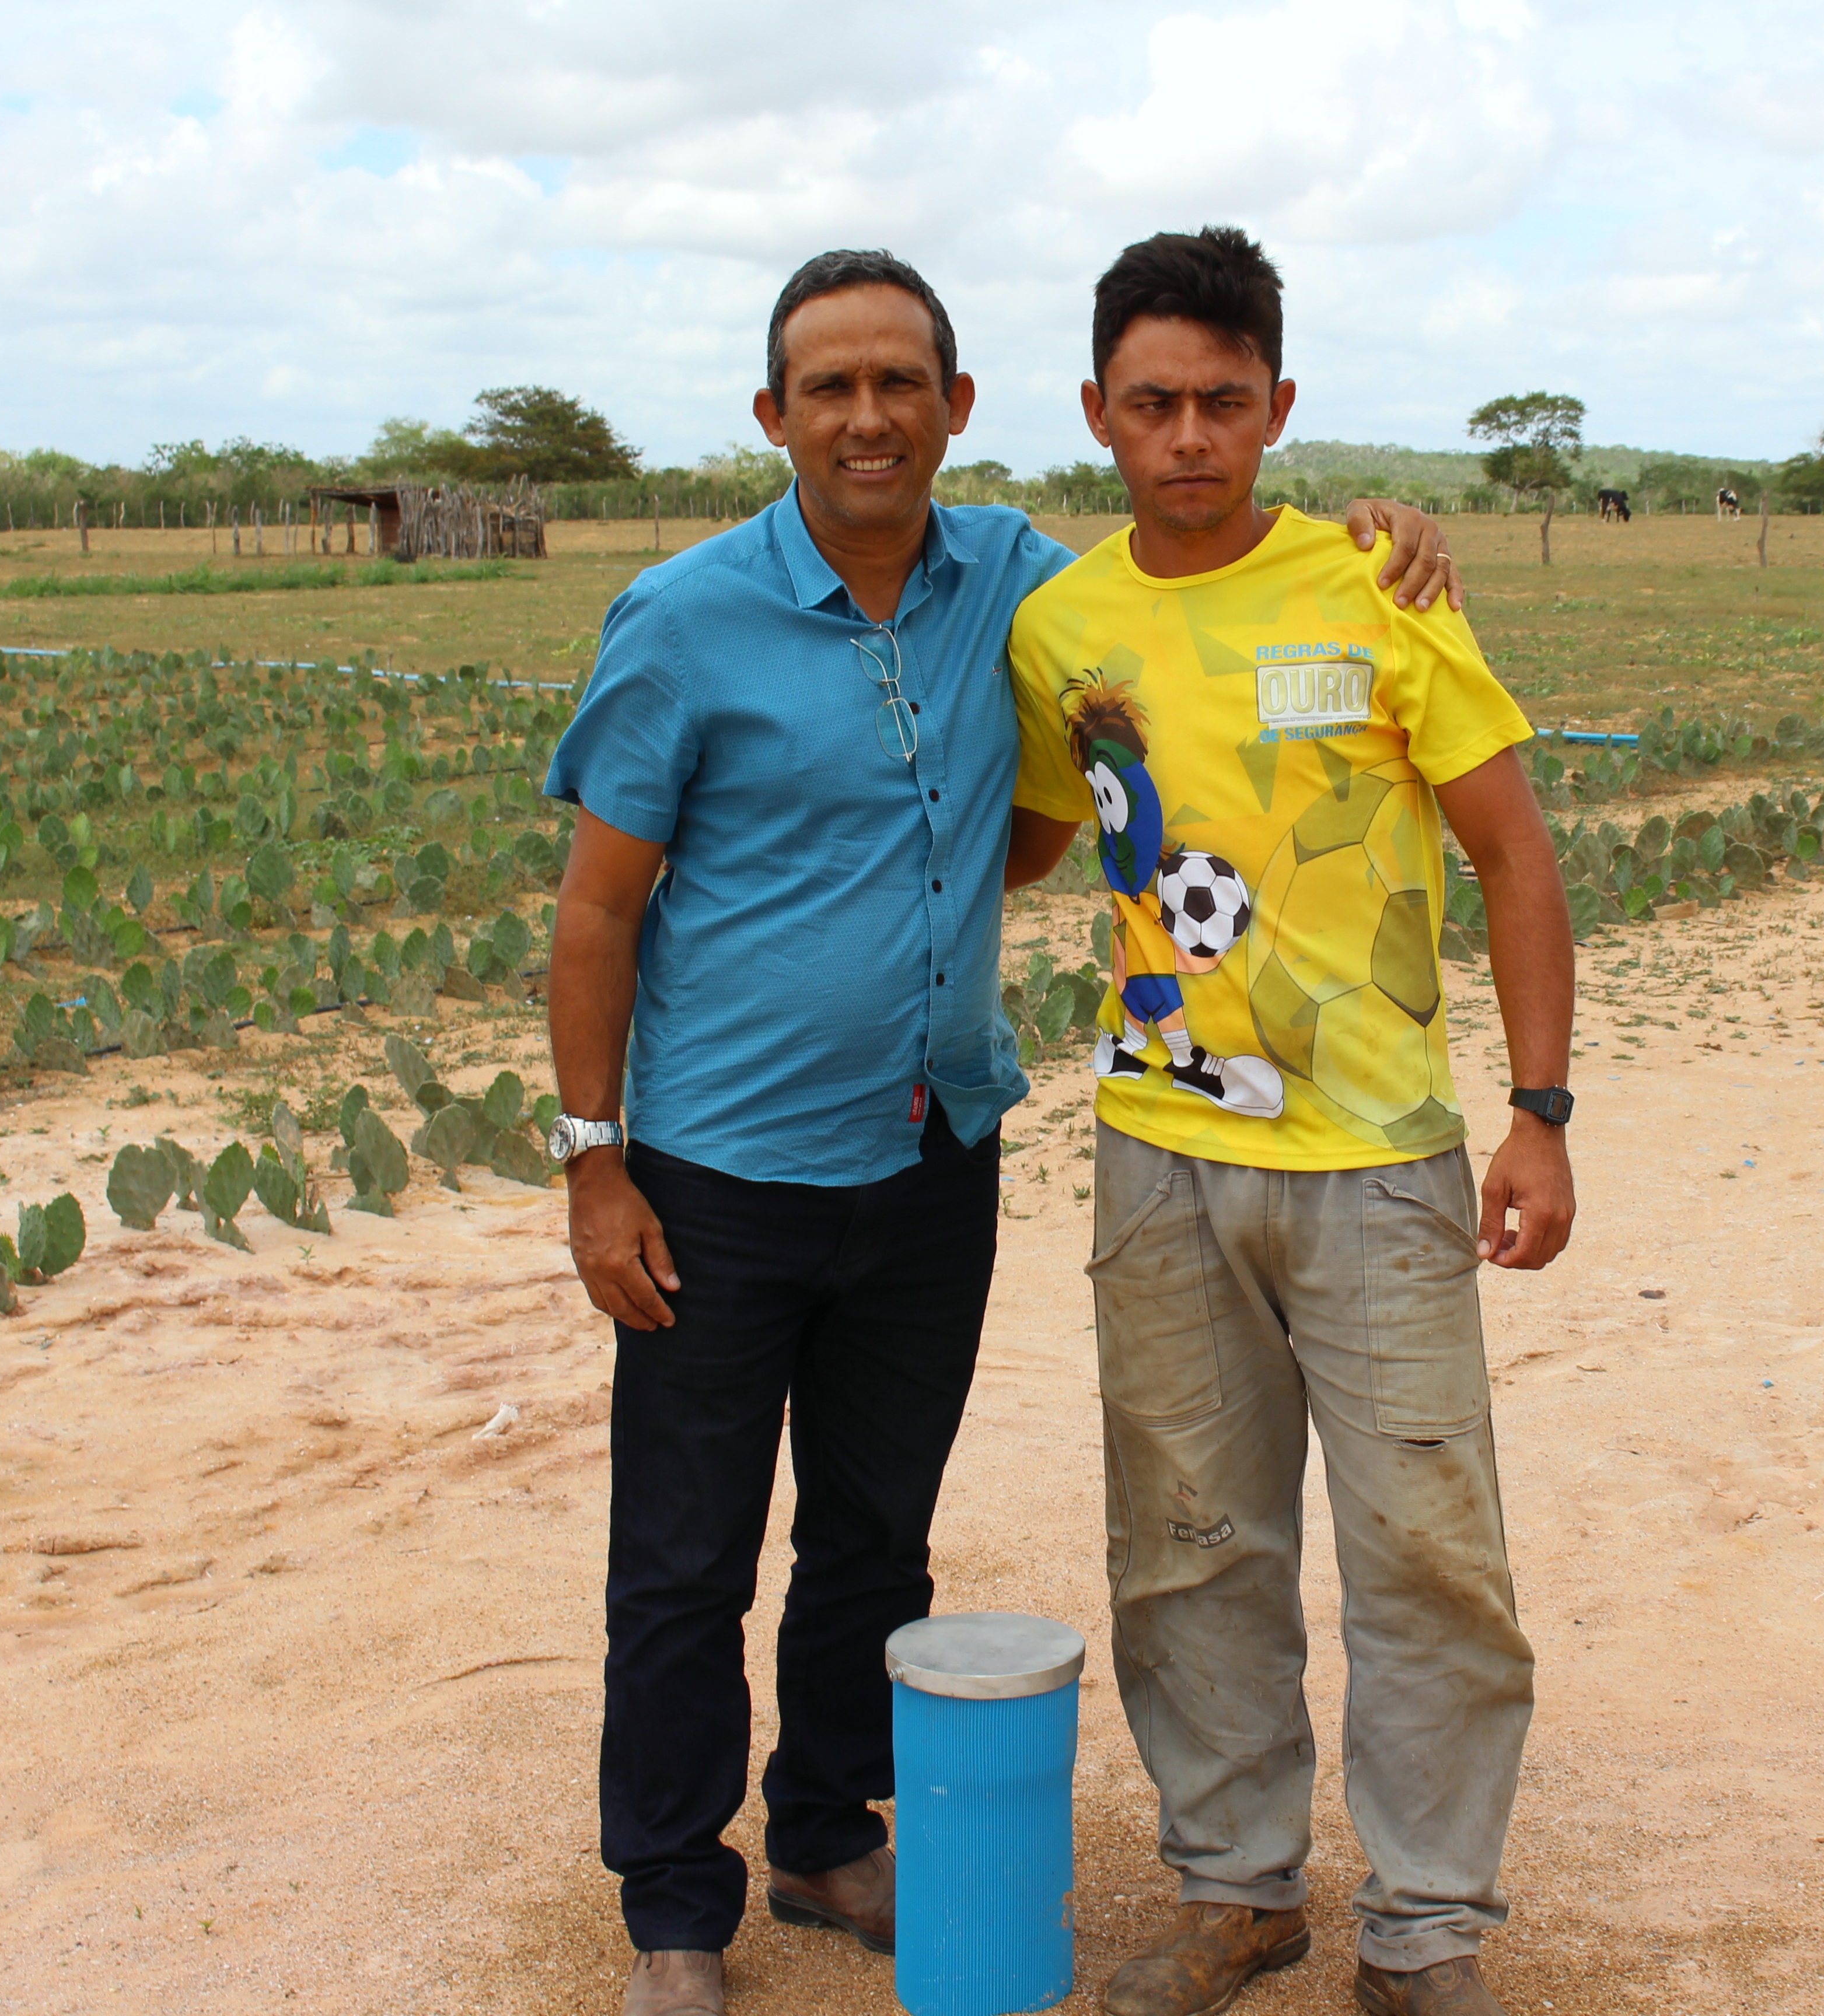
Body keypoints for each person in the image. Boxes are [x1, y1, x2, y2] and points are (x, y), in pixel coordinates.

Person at [540, 247, 1461, 2016]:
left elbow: (1193, 554)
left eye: (905, 384)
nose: (870, 417)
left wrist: (1379, 530)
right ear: (774, 417)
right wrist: (597, 1163)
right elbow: (597, 916)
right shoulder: (681, 618)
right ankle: (674, 1899)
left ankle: (819, 1826)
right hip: (718, 1175)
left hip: (931, 1151)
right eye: (832, 387)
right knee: (683, 1551)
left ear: (960, 409)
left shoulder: (1022, 589)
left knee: (876, 1533)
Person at [1006, 226, 1579, 2016]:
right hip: (1161, 1159)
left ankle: (1423, 1929)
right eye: (1155, 404)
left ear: (1280, 409)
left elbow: (1512, 853)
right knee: (1189, 1542)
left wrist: (1539, 1113)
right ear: (1097, 412)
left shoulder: (1382, 590)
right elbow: (1036, 831)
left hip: (1380, 1159)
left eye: (1225, 404)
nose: (1189, 436)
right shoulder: (1058, 622)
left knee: (1430, 1549)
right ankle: (1236, 1886)